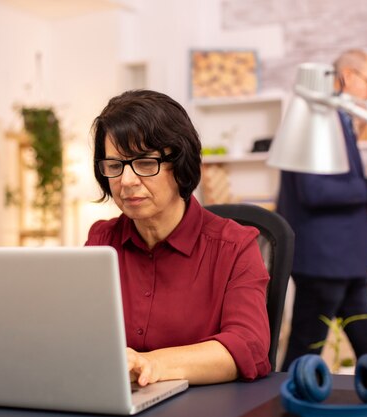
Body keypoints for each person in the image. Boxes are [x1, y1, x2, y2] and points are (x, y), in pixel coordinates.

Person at [85, 89, 271, 386]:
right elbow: (79, 336)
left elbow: (248, 346)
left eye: (145, 163)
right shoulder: (101, 240)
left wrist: (152, 363)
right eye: (115, 166)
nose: (127, 181)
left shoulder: (236, 247)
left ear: (181, 165)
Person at [278, 49, 367, 371]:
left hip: (346, 263)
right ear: (348, 77)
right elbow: (314, 190)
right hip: (325, 263)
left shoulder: (338, 118)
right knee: (304, 351)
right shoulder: (316, 119)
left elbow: (336, 187)